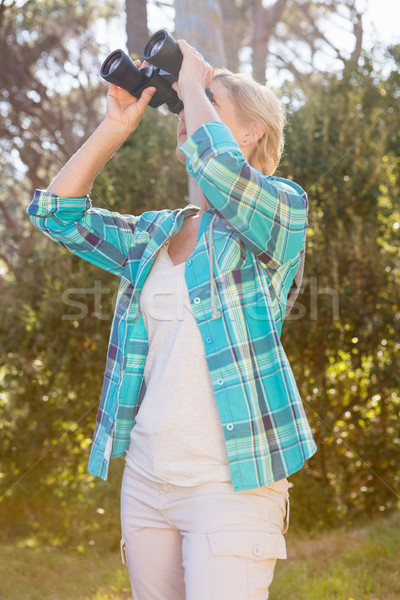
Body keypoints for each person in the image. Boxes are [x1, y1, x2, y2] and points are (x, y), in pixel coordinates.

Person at [27, 39, 317, 600]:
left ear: (253, 131)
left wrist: (192, 78)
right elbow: (56, 215)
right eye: (186, 101)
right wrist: (116, 124)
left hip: (232, 484)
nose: (186, 110)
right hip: (147, 477)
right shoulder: (157, 233)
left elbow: (222, 171)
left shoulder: (282, 212)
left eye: (205, 100)